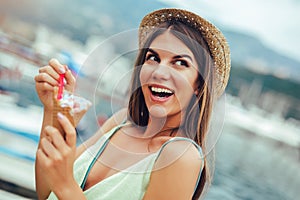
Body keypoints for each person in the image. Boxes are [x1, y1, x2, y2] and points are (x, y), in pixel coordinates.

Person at [34, 8, 230, 200]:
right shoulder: (119, 123)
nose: (159, 72)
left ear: (199, 84)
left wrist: (66, 185)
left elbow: (61, 186)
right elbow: (47, 192)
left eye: (180, 63)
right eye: (153, 58)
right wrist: (53, 108)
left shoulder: (181, 157)